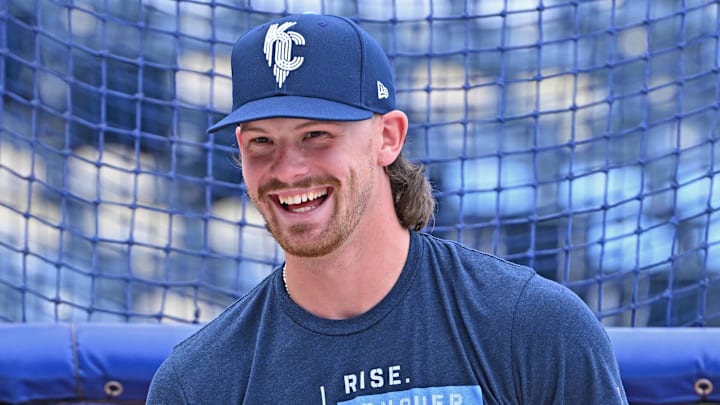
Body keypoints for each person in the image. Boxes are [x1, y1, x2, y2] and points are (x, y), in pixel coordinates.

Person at [147, 13, 627, 404]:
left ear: (389, 138)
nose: (287, 170)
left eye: (317, 135)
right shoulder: (198, 383)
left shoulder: (533, 327)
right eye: (261, 142)